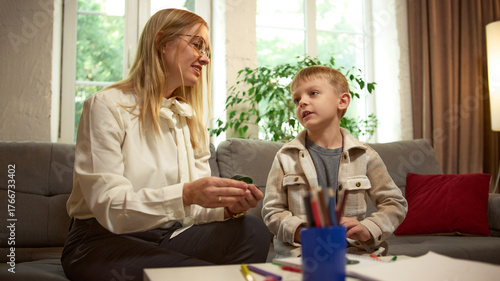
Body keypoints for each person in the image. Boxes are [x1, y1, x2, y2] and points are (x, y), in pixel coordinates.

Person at [61, 9, 270, 281]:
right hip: (100, 241)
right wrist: (185, 194)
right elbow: (111, 207)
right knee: (210, 276)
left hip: (167, 235)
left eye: (207, 50)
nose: (205, 58)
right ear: (162, 43)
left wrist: (227, 208)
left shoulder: (186, 117)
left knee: (252, 230)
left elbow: (192, 210)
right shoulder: (106, 105)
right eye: (197, 45)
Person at [261, 65, 407, 258]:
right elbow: (272, 211)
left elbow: (394, 202)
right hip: (302, 256)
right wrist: (301, 231)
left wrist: (368, 228)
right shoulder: (285, 156)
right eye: (297, 100)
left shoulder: (365, 155)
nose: (302, 102)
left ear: (342, 101)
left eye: (313, 93)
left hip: (358, 254)